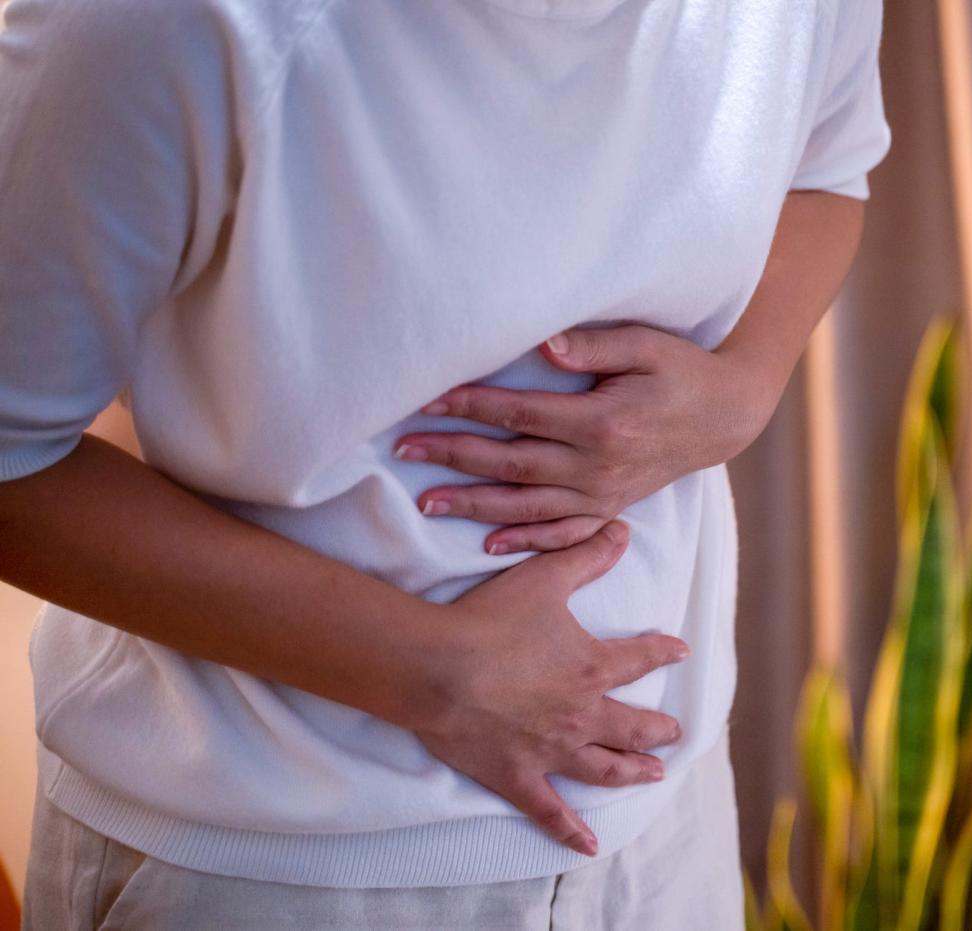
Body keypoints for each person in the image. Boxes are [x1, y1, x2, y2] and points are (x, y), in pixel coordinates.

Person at [0, 0, 890, 926]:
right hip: (267, 865)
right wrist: (433, 673)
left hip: (667, 829)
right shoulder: (151, 27)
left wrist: (744, 388)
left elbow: (828, 170)